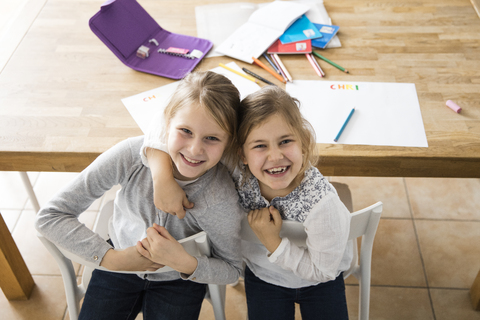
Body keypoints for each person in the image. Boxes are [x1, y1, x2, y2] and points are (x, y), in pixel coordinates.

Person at [35, 71, 244, 320]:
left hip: (180, 279)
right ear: (166, 123)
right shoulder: (131, 156)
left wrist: (186, 263)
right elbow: (50, 216)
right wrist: (112, 259)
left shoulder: (220, 198)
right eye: (185, 131)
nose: (194, 149)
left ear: (229, 142)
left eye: (211, 138)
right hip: (118, 264)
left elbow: (233, 269)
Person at [142, 85, 353, 320]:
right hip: (264, 278)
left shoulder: (323, 205)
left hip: (321, 283)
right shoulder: (240, 171)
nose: (274, 156)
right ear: (241, 153)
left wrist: (274, 242)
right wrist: (161, 177)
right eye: (260, 145)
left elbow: (323, 271)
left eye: (285, 141)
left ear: (303, 142)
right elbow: (164, 118)